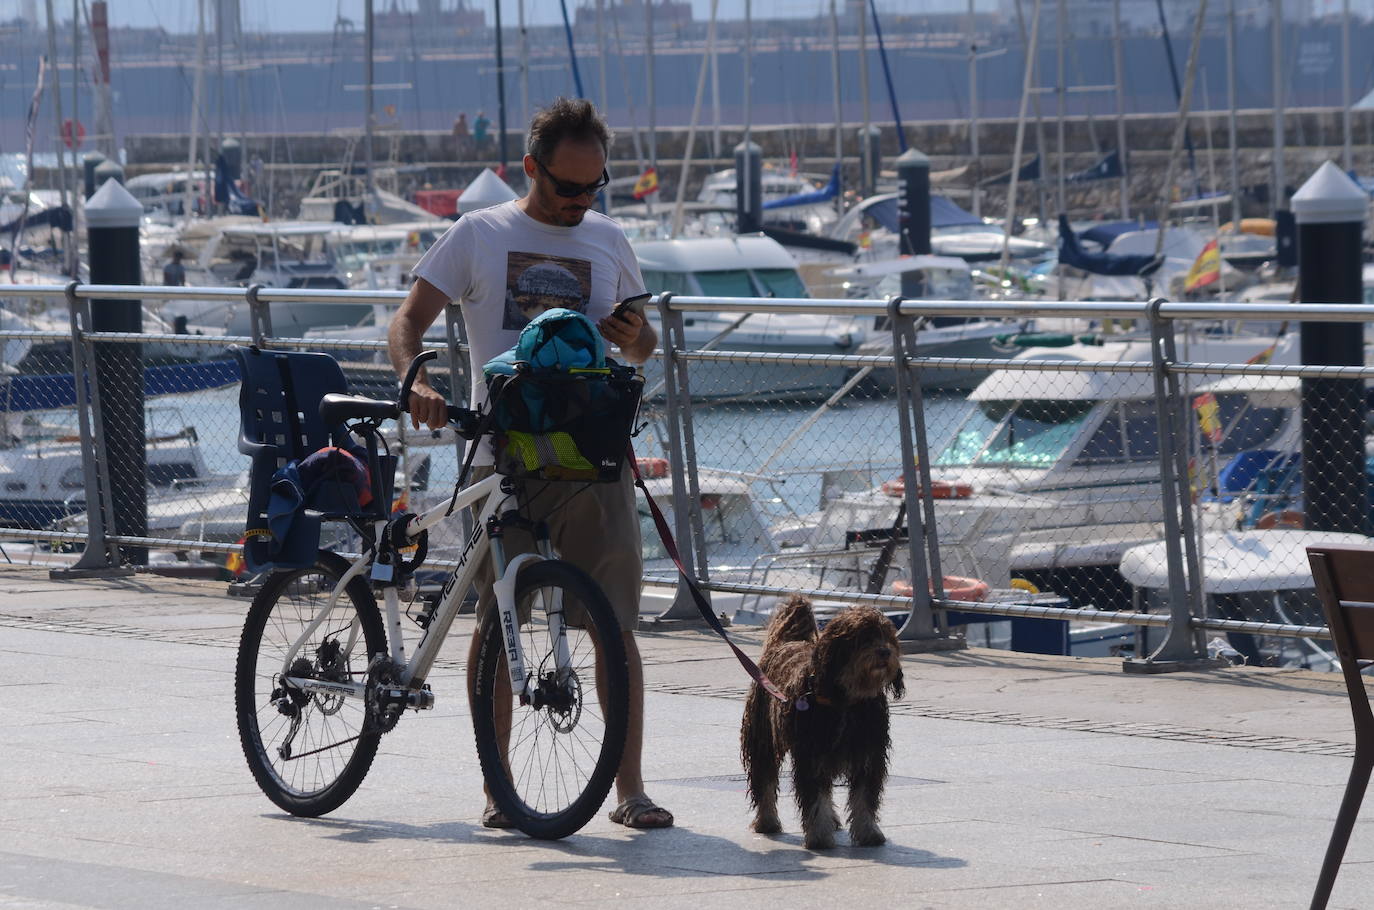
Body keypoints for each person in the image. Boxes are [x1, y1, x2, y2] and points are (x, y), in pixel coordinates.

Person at [387, 97, 672, 830]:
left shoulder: (609, 238)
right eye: (565, 187)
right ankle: (499, 788)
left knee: (613, 626)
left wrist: (636, 336)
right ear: (531, 168)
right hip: (504, 457)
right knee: (498, 622)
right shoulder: (479, 233)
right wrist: (415, 379)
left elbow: (640, 350)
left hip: (594, 458)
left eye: (592, 188)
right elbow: (408, 318)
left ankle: (629, 789)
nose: (580, 202)